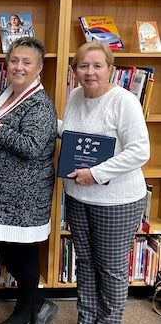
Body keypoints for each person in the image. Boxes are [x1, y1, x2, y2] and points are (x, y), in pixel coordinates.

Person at [0, 37, 59, 324]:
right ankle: (38, 301)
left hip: (25, 194)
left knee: (23, 250)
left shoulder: (39, 104)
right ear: (6, 64)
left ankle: (25, 311)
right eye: (14, 60)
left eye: (26, 62)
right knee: (4, 245)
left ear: (39, 68)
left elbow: (32, 147)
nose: (18, 66)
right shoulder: (6, 93)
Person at [60, 42, 150, 323]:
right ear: (74, 70)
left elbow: (139, 151)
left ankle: (109, 321)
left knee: (110, 269)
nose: (90, 72)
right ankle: (86, 319)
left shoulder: (125, 101)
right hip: (78, 196)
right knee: (85, 264)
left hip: (116, 202)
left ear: (111, 69)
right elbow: (74, 134)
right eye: (83, 66)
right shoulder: (75, 95)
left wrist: (97, 174)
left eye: (98, 66)